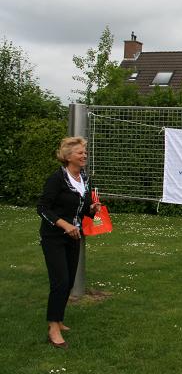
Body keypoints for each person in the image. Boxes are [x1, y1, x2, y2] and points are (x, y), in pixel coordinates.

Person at [37, 136, 100, 349]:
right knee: (60, 281)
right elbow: (42, 208)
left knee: (69, 281)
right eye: (80, 152)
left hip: (74, 236)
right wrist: (64, 225)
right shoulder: (57, 179)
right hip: (54, 237)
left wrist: (92, 209)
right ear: (68, 156)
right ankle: (53, 328)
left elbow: (82, 208)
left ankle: (59, 319)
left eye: (85, 152)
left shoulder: (85, 179)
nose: (84, 155)